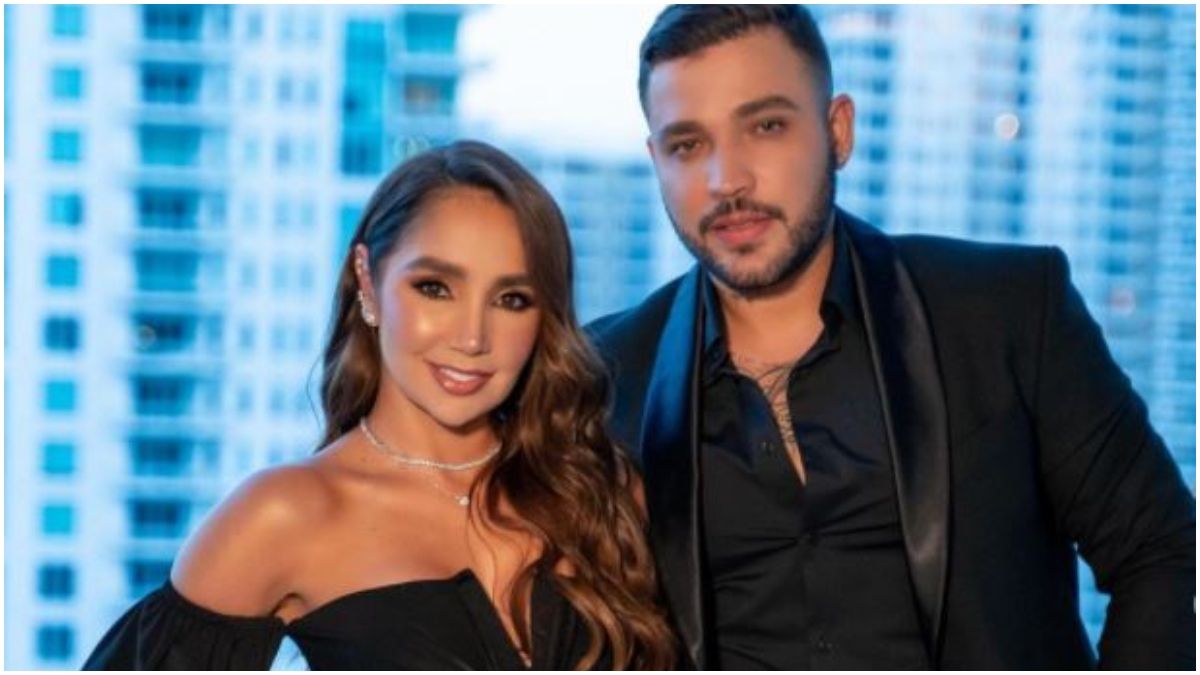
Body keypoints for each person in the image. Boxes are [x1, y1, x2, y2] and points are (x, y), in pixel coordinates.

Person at [587, 5, 1195, 670]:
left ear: (838, 131)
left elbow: (1162, 550)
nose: (726, 179)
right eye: (687, 145)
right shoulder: (605, 379)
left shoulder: (1006, 311)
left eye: (765, 126)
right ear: (657, 160)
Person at [84, 141, 676, 670]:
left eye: (512, 299)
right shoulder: (282, 516)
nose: (472, 338)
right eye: (434, 288)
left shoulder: (599, 492)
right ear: (367, 280)